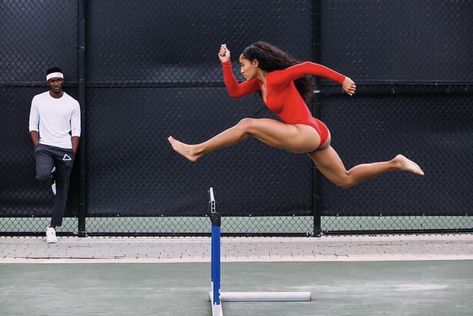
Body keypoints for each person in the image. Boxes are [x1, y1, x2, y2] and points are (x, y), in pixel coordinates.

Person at [168, 41, 424, 188]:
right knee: (345, 180)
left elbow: (309, 67)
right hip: (317, 133)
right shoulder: (260, 84)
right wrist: (225, 63)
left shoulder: (277, 78)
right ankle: (395, 163)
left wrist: (343, 79)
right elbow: (234, 92)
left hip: (307, 133)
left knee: (247, 125)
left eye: (242, 65)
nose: (241, 70)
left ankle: (196, 150)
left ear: (256, 63)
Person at [29, 67, 81, 243]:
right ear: (48, 82)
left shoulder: (73, 103)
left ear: (62, 81)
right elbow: (32, 126)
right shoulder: (38, 100)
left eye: (58, 80)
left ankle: (52, 228)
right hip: (44, 147)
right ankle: (51, 179)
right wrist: (38, 147)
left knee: (62, 190)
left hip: (65, 149)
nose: (56, 83)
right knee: (43, 175)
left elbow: (76, 131)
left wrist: (72, 153)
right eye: (52, 81)